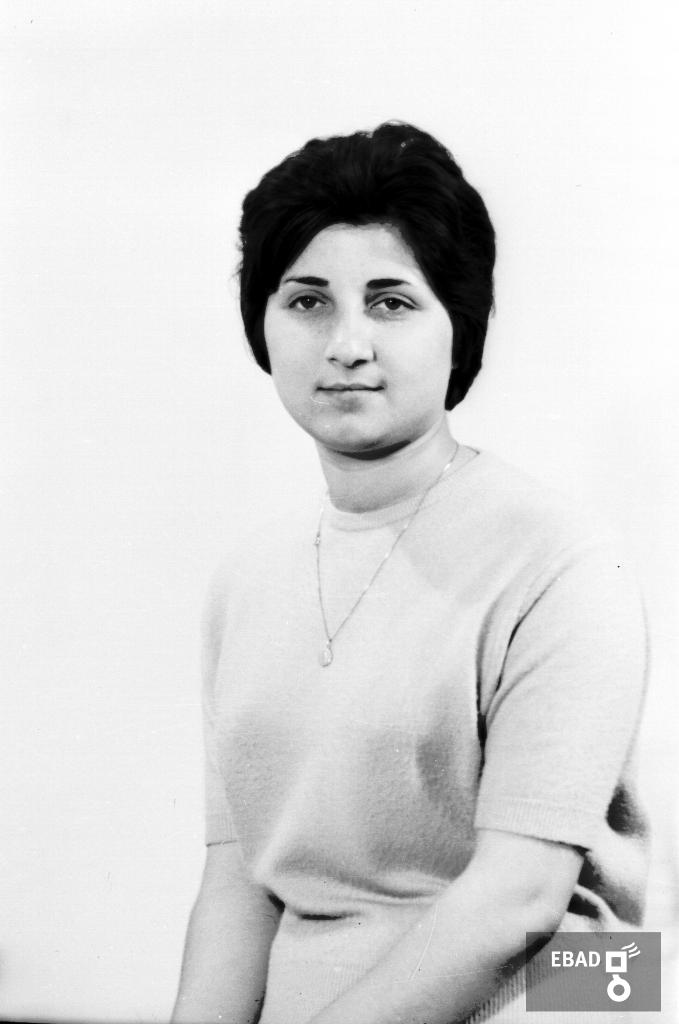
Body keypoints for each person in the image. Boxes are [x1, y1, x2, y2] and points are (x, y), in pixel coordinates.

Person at [171, 123, 649, 1024]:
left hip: (543, 1007)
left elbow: (518, 900)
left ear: (457, 327)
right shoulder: (247, 580)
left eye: (391, 302)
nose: (347, 343)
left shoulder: (561, 559)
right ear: (261, 327)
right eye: (307, 302)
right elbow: (239, 882)